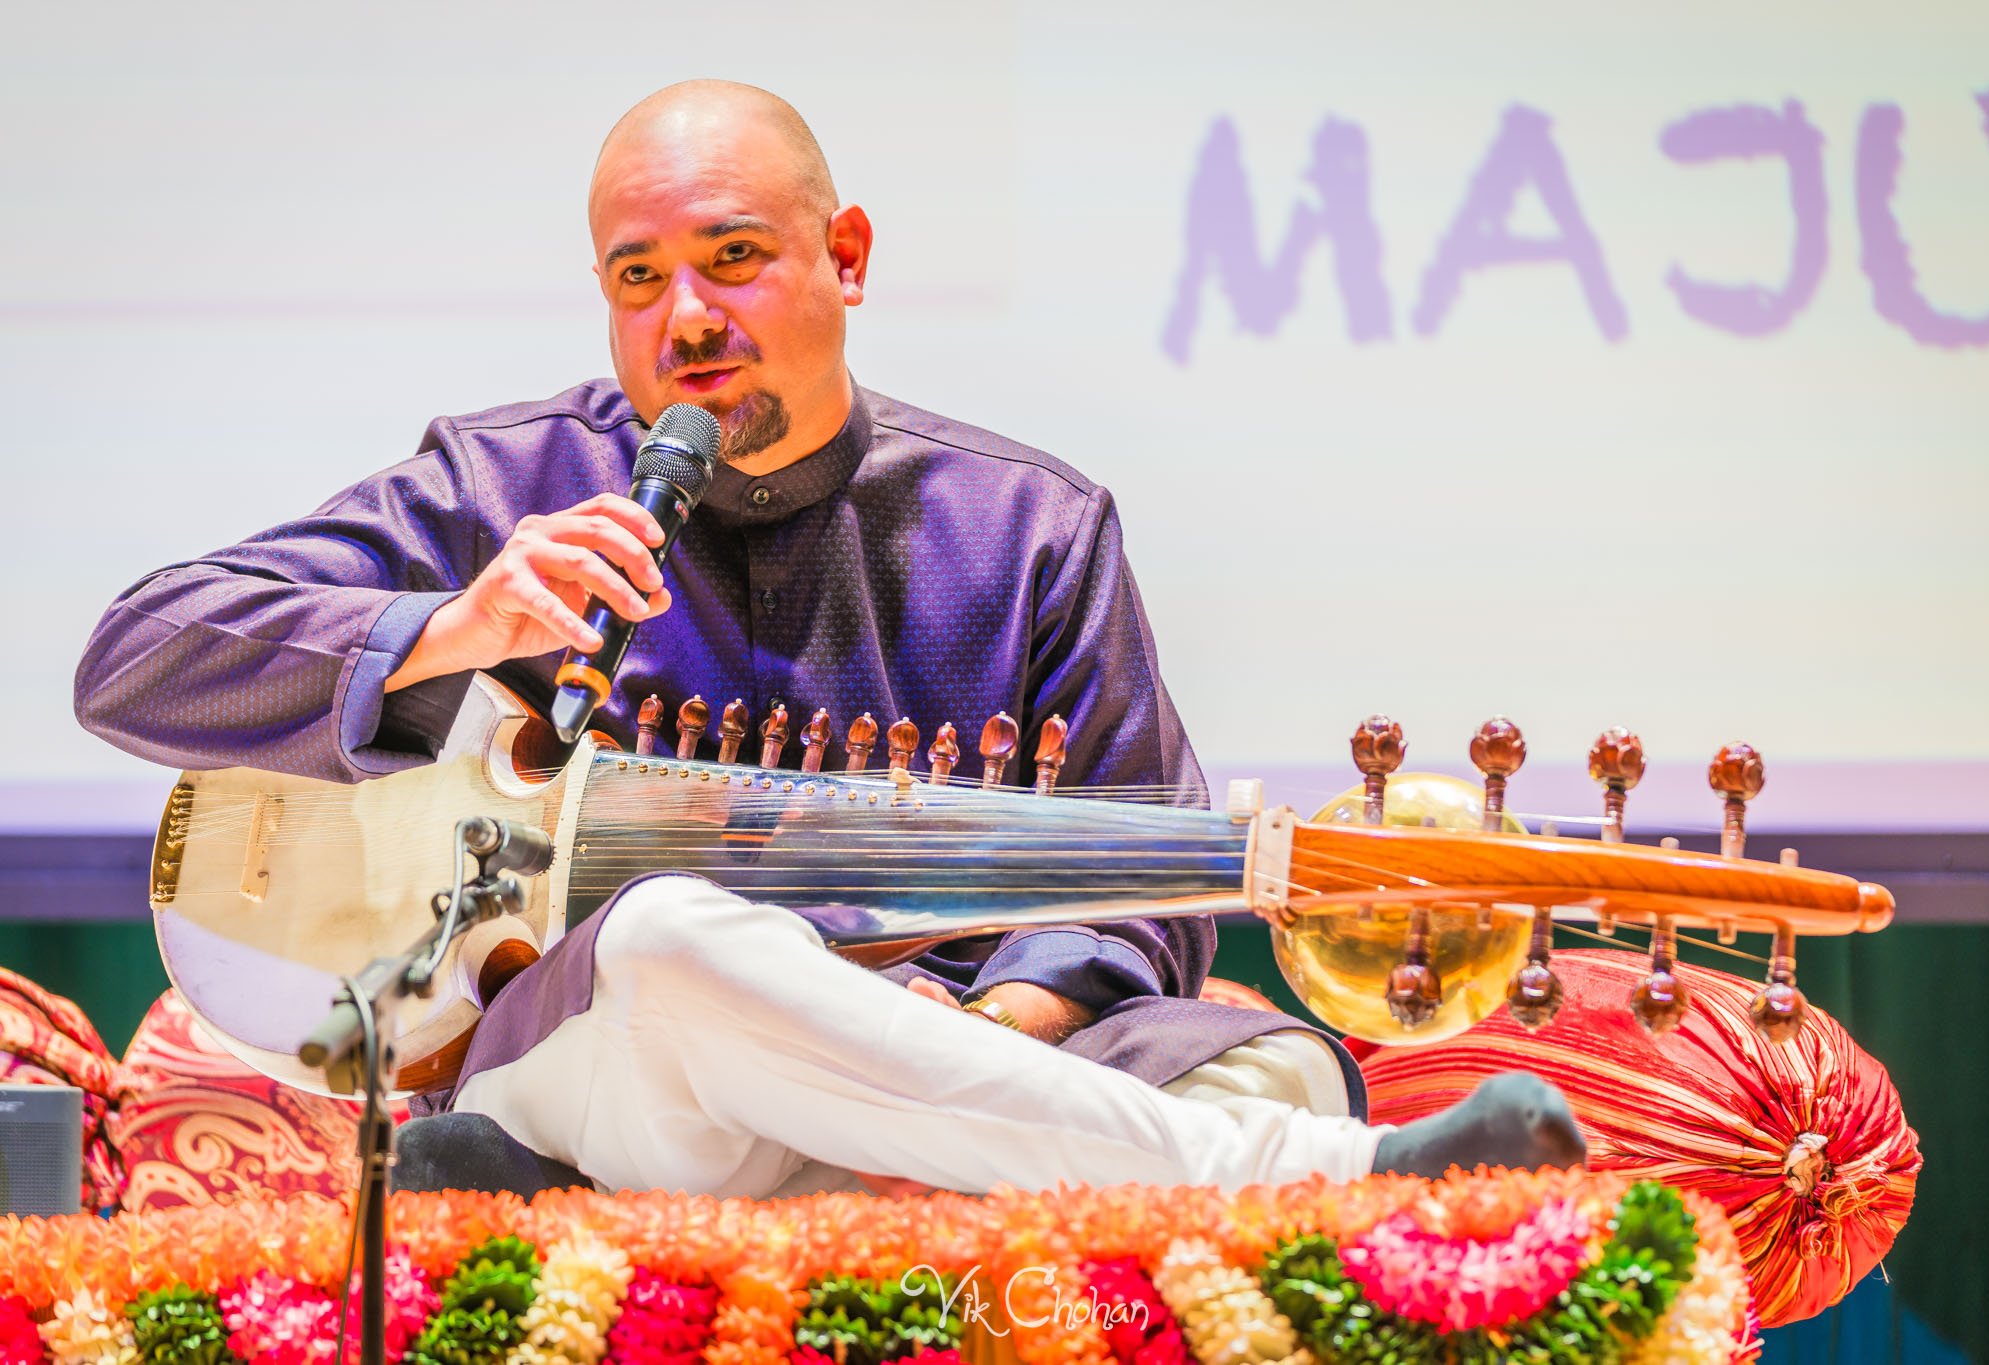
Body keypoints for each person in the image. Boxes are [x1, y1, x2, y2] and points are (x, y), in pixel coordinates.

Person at [75, 81, 1582, 1198]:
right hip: (622, 1067)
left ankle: (954, 1145)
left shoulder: (1028, 531)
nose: (685, 317)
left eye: (733, 256)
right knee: (669, 939)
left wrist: (974, 1032)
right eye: (637, 276)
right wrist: (449, 625)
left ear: (844, 255)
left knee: (1268, 1047)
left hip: (954, 1059)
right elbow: (136, 659)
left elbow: (1144, 881)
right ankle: (1332, 1172)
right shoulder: (499, 489)